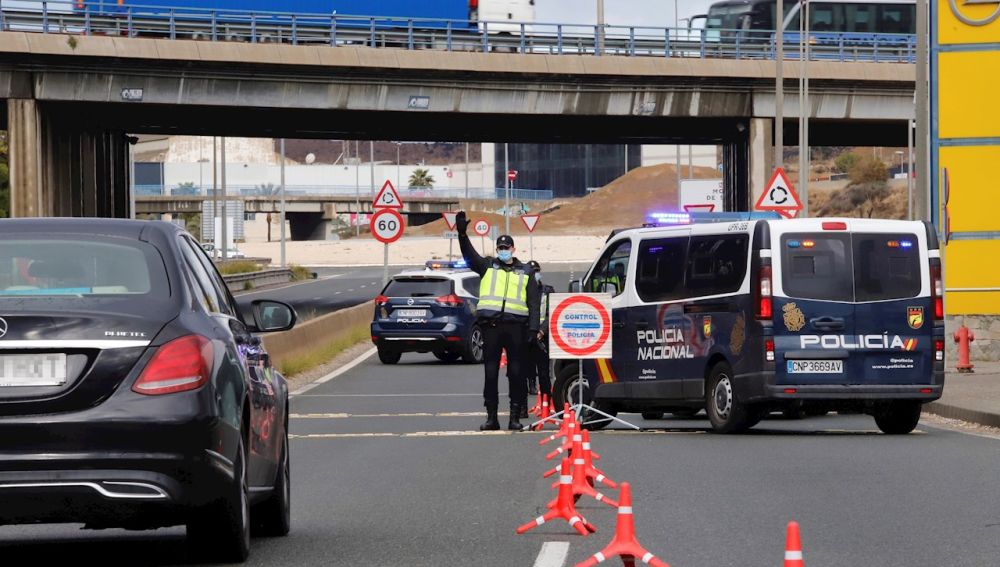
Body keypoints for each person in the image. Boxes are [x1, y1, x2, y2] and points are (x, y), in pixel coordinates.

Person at [455, 211, 540, 431]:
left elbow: (534, 303)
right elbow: (469, 256)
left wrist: (533, 330)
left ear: (513, 249)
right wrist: (462, 235)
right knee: (490, 373)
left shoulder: (526, 272)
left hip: (516, 329)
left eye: (506, 247)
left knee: (516, 373)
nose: (503, 250)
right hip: (491, 327)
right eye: (500, 247)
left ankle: (515, 417)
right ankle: (491, 417)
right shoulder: (487, 266)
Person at [526, 260, 554, 404]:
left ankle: (547, 400)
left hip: (543, 336)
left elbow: (552, 313)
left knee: (544, 371)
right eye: (532, 272)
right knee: (527, 366)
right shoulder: (522, 292)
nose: (535, 274)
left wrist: (542, 331)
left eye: (536, 271)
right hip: (528, 335)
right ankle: (531, 385)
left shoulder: (547, 291)